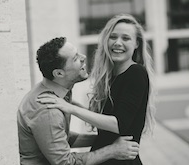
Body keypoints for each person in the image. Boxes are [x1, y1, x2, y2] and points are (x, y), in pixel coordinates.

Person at [37, 14, 156, 165]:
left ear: (137, 44)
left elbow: (119, 124)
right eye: (113, 37)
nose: (118, 43)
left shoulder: (136, 73)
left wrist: (70, 108)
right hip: (106, 158)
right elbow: (104, 118)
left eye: (126, 38)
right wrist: (70, 103)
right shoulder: (112, 76)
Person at [17, 36, 140, 165]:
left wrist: (106, 139)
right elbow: (66, 163)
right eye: (75, 58)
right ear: (59, 74)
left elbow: (62, 139)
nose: (83, 57)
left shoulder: (59, 93)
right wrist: (112, 150)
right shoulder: (47, 110)